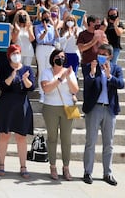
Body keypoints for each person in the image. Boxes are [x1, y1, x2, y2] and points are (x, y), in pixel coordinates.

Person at [82, 44, 124, 186]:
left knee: (109, 144)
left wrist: (109, 76)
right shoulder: (89, 66)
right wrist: (93, 73)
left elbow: (121, 84)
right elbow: (87, 84)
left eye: (104, 54)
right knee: (91, 142)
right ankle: (88, 172)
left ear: (110, 56)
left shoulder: (116, 69)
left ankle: (108, 173)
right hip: (94, 108)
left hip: (109, 110)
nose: (100, 56)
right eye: (99, 53)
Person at [0, 44, 35, 179]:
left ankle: (23, 166)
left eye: (18, 52)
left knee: (21, 136)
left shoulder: (27, 69)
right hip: (6, 104)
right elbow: (3, 86)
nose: (16, 55)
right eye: (13, 53)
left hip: (22, 105)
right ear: (9, 55)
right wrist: (12, 75)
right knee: (4, 134)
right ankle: (1, 164)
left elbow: (31, 87)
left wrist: (25, 79)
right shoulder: (5, 68)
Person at [40, 49, 79, 181]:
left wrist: (67, 77)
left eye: (62, 57)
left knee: (66, 139)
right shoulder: (46, 72)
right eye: (57, 56)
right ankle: (53, 166)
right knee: (52, 138)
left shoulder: (69, 71)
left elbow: (75, 90)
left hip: (67, 108)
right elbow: (46, 89)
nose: (60, 59)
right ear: (52, 58)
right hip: (50, 107)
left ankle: (66, 167)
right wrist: (60, 78)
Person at [34, 10, 59, 101]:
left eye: (48, 16)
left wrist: (54, 27)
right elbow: (39, 39)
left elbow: (57, 39)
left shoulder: (52, 27)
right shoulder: (37, 27)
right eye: (45, 16)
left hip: (51, 48)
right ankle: (42, 93)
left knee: (49, 69)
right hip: (41, 47)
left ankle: (49, 92)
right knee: (41, 70)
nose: (46, 18)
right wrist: (45, 31)